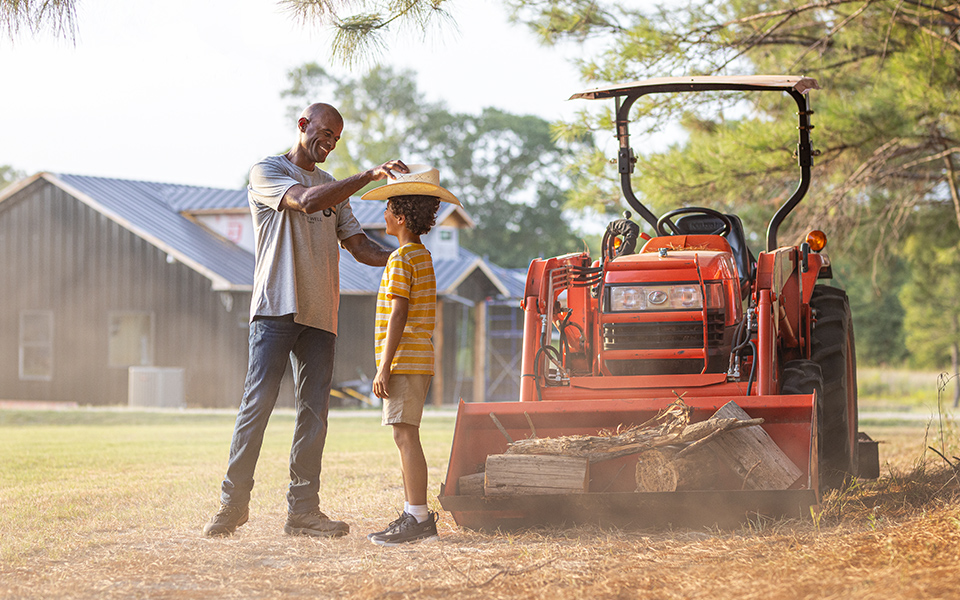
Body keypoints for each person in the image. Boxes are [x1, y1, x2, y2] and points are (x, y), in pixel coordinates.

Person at [202, 102, 409, 538]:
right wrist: (369, 175)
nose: (330, 143)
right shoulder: (267, 172)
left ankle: (303, 513)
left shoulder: (335, 188)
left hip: (321, 315)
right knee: (255, 408)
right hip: (276, 308)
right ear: (303, 125)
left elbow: (360, 246)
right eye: (325, 133)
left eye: (336, 138)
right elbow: (306, 200)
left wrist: (406, 256)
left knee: (314, 414)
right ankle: (231, 505)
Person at [359, 165, 461, 546]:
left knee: (405, 436)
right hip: (418, 357)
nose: (382, 214)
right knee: (406, 435)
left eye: (387, 208)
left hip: (403, 359)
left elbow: (398, 312)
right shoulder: (422, 256)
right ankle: (412, 512)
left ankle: (418, 517)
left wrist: (383, 366)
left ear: (399, 217)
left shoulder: (401, 258)